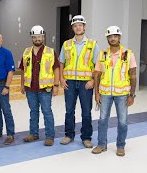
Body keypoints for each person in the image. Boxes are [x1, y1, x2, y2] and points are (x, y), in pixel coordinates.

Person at [92, 26, 137, 156]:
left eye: (115, 36)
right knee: (102, 120)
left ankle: (120, 145)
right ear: (107, 38)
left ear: (119, 37)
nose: (113, 38)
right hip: (105, 93)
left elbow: (133, 75)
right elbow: (97, 75)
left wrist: (132, 95)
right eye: (110, 36)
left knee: (122, 121)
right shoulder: (102, 54)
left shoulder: (128, 54)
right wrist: (96, 94)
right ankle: (101, 145)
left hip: (122, 94)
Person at [59, 15, 100, 148]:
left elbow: (98, 66)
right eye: (75, 25)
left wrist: (93, 81)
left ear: (84, 27)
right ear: (73, 28)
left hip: (86, 83)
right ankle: (69, 135)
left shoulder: (92, 44)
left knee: (86, 111)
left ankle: (86, 137)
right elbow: (61, 63)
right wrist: (61, 78)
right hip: (69, 82)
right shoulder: (66, 44)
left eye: (80, 25)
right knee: (69, 110)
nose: (78, 27)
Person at [19, 26, 60, 146]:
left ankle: (50, 136)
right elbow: (23, 70)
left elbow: (56, 69)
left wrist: (56, 85)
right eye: (35, 37)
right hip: (30, 88)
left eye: (39, 37)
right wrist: (22, 84)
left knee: (47, 112)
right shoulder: (26, 52)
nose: (37, 39)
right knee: (33, 112)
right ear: (32, 38)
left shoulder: (50, 51)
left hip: (45, 88)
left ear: (43, 37)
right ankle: (33, 134)